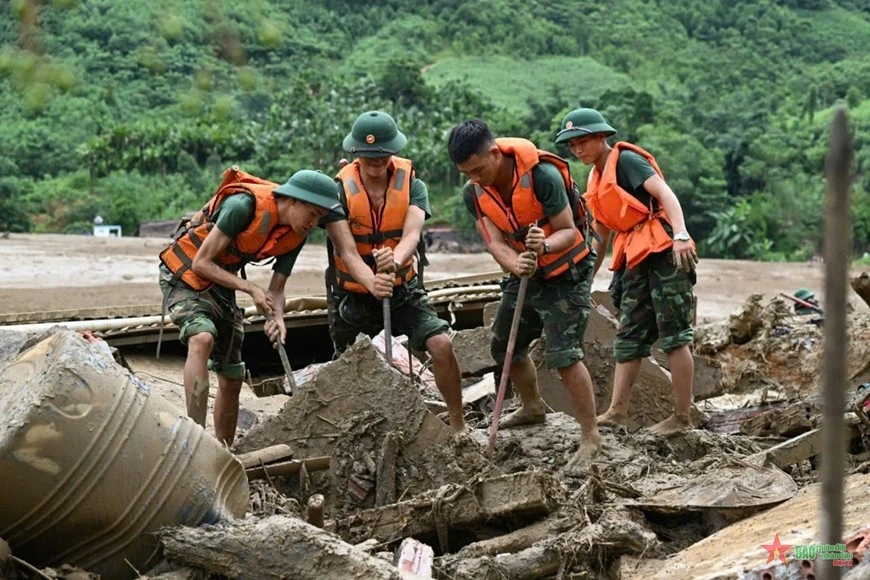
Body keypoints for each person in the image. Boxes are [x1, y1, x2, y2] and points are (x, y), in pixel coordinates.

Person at [447, 119, 601, 470]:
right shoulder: (474, 194)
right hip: (526, 273)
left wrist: (543, 245)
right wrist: (516, 265)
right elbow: (494, 242)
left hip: (566, 272)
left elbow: (568, 232)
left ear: (495, 153)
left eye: (479, 169)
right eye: (467, 173)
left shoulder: (542, 177)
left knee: (565, 354)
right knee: (504, 347)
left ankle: (591, 435)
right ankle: (532, 408)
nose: (476, 178)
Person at [158, 166, 342, 445]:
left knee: (233, 375)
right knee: (202, 336)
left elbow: (276, 290)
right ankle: (195, 435)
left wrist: (277, 318)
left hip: (222, 282)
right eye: (312, 214)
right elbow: (202, 262)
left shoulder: (295, 234)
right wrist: (250, 288)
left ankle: (224, 449)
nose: (313, 223)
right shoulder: (242, 206)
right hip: (185, 271)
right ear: (294, 200)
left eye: (320, 218)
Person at [555, 107, 698, 436]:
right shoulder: (594, 177)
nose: (578, 150)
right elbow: (601, 236)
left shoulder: (627, 162)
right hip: (633, 255)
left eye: (584, 141)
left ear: (602, 136)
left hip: (664, 250)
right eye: (572, 145)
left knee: (675, 335)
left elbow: (665, 194)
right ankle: (617, 411)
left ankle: (682, 417)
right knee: (629, 334)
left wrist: (680, 235)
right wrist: (586, 278)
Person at [322, 110, 467, 433]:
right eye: (369, 156)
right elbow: (345, 249)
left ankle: (458, 425)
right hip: (354, 292)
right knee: (345, 364)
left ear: (394, 152)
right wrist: (372, 282)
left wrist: (394, 260)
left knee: (441, 344)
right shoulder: (339, 191)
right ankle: (349, 429)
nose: (376, 163)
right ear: (356, 154)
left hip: (403, 288)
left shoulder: (413, 185)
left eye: (382, 156)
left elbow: (412, 235)